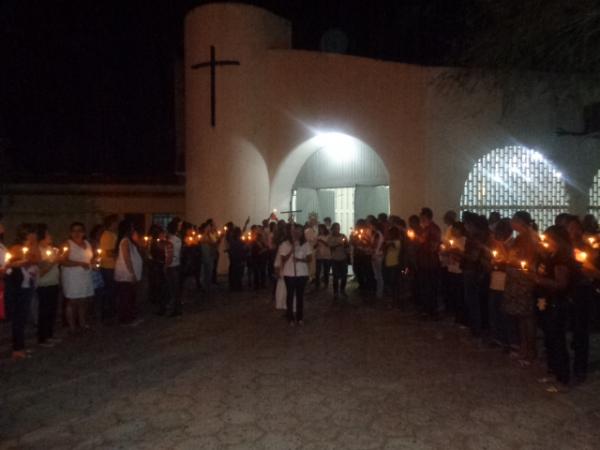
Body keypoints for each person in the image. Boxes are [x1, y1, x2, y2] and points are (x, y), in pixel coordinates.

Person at [534, 225, 575, 391]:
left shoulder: (562, 258)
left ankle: (563, 378)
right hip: (548, 300)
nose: (546, 242)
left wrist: (538, 280)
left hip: (557, 302)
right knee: (549, 337)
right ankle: (553, 371)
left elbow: (561, 284)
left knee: (557, 339)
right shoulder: (553, 255)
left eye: (548, 239)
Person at [5, 224, 39, 360]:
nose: (35, 236)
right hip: (18, 287)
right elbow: (19, 263)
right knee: (18, 318)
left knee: (23, 317)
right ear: (26, 234)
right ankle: (17, 349)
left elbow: (37, 259)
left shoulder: (31, 246)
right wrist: (27, 259)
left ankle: (21, 346)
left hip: (27, 284)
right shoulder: (17, 248)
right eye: (33, 233)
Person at [61, 222, 94, 335]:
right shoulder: (68, 244)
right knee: (72, 301)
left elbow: (90, 259)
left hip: (84, 276)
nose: (77, 233)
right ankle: (72, 326)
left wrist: (93, 264)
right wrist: (79, 263)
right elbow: (63, 261)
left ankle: (82, 323)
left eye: (79, 230)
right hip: (72, 277)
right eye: (74, 231)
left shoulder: (87, 244)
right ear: (70, 233)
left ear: (84, 232)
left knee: (83, 300)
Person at [277, 224, 313, 325]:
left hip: (302, 273)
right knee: (290, 295)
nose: (298, 233)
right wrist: (291, 250)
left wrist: (300, 260)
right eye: (296, 231)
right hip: (289, 273)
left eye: (300, 231)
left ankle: (300, 317)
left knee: (300, 296)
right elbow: (283, 259)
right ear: (292, 232)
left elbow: (310, 258)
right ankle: (290, 317)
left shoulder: (305, 244)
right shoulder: (284, 244)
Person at [36, 224, 61, 347]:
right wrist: (53, 261)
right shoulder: (38, 250)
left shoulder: (51, 249)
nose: (50, 236)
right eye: (48, 234)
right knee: (44, 311)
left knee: (52, 310)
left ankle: (50, 335)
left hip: (54, 282)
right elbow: (41, 271)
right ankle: (42, 338)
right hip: (44, 284)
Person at [114, 219, 143, 325]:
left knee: (129, 296)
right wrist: (132, 273)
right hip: (126, 274)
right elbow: (127, 258)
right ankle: (127, 318)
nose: (133, 229)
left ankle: (128, 317)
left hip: (129, 273)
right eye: (131, 227)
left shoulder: (129, 241)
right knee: (126, 297)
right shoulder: (125, 241)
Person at [416, 208, 442, 318]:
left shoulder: (434, 229)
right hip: (423, 262)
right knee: (424, 287)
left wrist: (422, 242)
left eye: (422, 217)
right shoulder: (424, 229)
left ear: (427, 217)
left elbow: (434, 246)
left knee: (431, 287)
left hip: (431, 263)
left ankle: (432, 310)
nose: (421, 219)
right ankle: (426, 309)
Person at [148, 224, 172, 316]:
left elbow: (167, 256)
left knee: (163, 287)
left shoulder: (163, 243)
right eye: (162, 233)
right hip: (158, 267)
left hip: (160, 267)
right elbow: (155, 255)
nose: (164, 234)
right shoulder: (157, 243)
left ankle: (163, 305)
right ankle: (162, 306)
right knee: (161, 287)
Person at [99, 215, 119, 322]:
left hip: (111, 267)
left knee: (111, 291)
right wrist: (120, 255)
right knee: (109, 291)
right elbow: (108, 252)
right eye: (115, 222)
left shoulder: (112, 235)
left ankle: (110, 312)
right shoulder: (107, 235)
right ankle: (107, 314)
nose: (117, 225)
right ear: (111, 223)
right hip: (108, 267)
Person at [166, 218, 182, 315]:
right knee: (176, 288)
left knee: (173, 288)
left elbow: (170, 255)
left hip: (172, 266)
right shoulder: (176, 239)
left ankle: (175, 309)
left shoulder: (171, 240)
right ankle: (177, 308)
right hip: (176, 264)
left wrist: (166, 265)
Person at [328, 223, 349, 299]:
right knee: (335, 276)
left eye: (338, 228)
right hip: (334, 259)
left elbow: (347, 246)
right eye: (336, 228)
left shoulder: (343, 236)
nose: (337, 230)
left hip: (343, 258)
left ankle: (342, 290)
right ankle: (335, 292)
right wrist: (338, 244)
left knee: (344, 275)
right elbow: (330, 248)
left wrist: (346, 244)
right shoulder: (330, 237)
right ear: (333, 229)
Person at [227, 227, 247, 291]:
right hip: (238, 258)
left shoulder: (232, 240)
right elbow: (242, 249)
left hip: (234, 258)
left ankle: (234, 286)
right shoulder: (238, 241)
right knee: (238, 273)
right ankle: (238, 286)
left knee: (234, 272)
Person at [370, 220, 385, 299]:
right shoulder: (377, 234)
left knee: (379, 275)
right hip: (377, 255)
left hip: (377, 255)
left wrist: (372, 252)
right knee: (377, 274)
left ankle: (379, 293)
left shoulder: (378, 234)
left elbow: (375, 245)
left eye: (371, 226)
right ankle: (378, 292)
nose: (370, 227)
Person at [315, 224, 331, 289]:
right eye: (319, 229)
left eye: (322, 229)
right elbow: (315, 245)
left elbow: (328, 244)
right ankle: (317, 284)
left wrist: (321, 241)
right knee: (318, 271)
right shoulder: (317, 236)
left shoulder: (328, 236)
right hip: (319, 255)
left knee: (326, 271)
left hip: (326, 255)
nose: (321, 230)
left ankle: (326, 283)